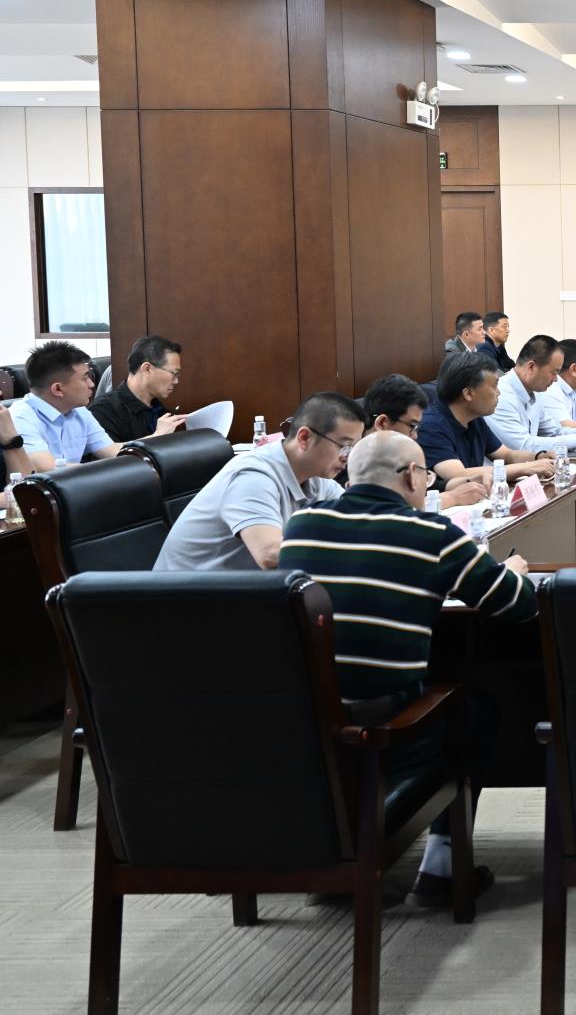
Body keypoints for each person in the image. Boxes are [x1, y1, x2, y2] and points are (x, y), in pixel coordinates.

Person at [279, 430, 533, 904]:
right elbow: (517, 605)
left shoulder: (301, 524)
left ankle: (337, 847)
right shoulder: (433, 535)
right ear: (413, 476)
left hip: (305, 726)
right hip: (385, 729)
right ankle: (441, 868)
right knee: (477, 710)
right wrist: (513, 571)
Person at [155, 392, 363, 571]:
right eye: (343, 446)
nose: (347, 456)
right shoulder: (253, 476)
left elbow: (359, 519)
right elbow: (270, 555)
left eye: (354, 448)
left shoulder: (315, 476)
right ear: (304, 438)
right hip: (183, 598)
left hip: (237, 593)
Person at [417, 355, 556, 487]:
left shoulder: (474, 418)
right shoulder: (431, 425)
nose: (499, 392)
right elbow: (458, 474)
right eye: (494, 386)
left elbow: (506, 455)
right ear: (468, 393)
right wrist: (527, 468)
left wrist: (537, 457)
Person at [360, 373, 487, 509]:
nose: (415, 436)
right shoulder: (350, 461)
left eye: (417, 427)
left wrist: (473, 480)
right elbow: (385, 510)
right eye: (411, 426)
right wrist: (452, 498)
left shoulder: (392, 451)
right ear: (382, 423)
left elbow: (428, 486)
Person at [7, 341, 124, 470]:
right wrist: (100, 472)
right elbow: (46, 468)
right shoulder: (20, 417)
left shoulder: (79, 411)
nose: (91, 384)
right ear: (58, 389)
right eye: (85, 378)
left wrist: (142, 445)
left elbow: (111, 450)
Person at [490, 336, 576, 455]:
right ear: (531, 367)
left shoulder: (533, 392)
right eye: (554, 372)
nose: (556, 379)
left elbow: (554, 431)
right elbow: (522, 446)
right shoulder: (501, 395)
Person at [88, 335, 190, 443]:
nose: (176, 381)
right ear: (147, 369)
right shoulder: (104, 410)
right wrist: (157, 436)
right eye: (174, 373)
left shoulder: (158, 408)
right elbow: (110, 452)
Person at [437, 311, 487, 380]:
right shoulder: (452, 352)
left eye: (483, 328)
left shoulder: (476, 348)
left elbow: (488, 369)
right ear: (466, 334)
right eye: (479, 329)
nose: (484, 332)